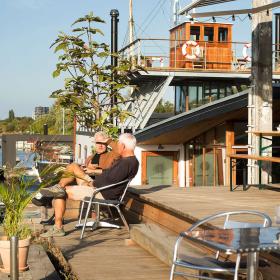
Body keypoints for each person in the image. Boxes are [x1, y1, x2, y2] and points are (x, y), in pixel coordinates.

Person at [40, 133, 139, 237]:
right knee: (72, 168)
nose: (117, 146)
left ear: (123, 146)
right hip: (99, 187)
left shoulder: (126, 162)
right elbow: (110, 175)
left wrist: (92, 182)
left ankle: (58, 227)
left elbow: (110, 179)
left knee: (61, 192)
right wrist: (91, 174)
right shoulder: (130, 161)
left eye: (118, 144)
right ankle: (59, 188)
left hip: (100, 192)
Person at [35, 131, 119, 202]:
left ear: (107, 144)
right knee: (61, 191)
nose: (100, 145)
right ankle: (57, 221)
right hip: (86, 182)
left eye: (103, 143)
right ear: (95, 144)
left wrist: (108, 140)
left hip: (98, 185)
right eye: (98, 143)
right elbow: (86, 170)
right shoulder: (91, 157)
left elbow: (119, 152)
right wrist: (83, 168)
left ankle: (46, 198)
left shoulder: (111, 155)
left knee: (73, 166)